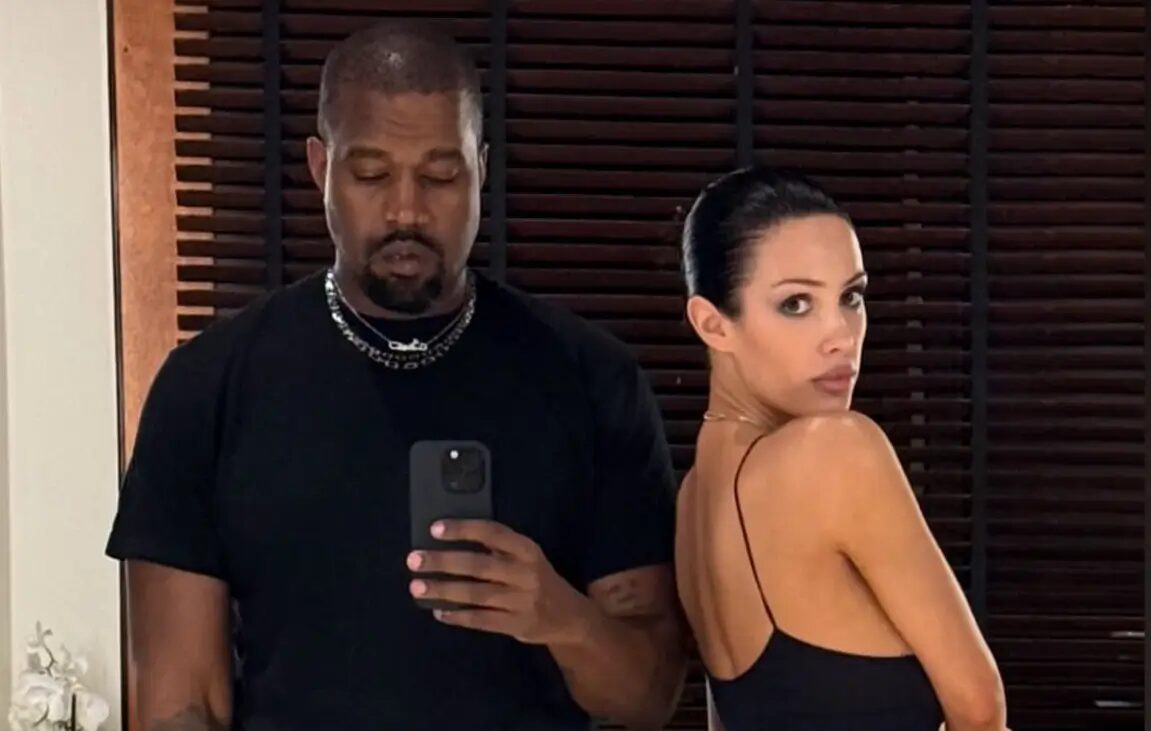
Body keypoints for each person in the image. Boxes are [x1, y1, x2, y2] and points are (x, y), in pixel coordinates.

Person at [106, 20, 687, 731]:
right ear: (320, 168)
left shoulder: (591, 378)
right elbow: (180, 702)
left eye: (440, 175)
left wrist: (561, 617)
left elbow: (649, 697)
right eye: (371, 174)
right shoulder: (208, 386)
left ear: (481, 169)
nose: (406, 210)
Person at [674, 166, 1008, 731]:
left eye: (851, 296)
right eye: (796, 304)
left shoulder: (693, 502)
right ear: (713, 324)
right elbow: (980, 710)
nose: (843, 336)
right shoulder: (835, 451)